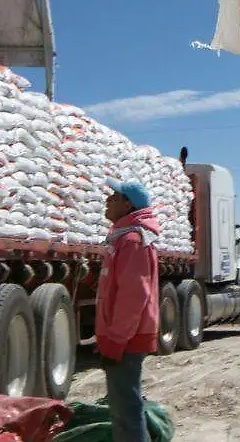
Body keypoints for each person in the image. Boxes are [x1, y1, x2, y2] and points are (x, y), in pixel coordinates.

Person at [98, 179, 161, 442]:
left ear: (127, 204)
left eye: (114, 196)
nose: (107, 200)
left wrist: (116, 340)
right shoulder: (126, 237)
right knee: (124, 407)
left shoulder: (133, 240)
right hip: (125, 337)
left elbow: (133, 296)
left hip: (127, 340)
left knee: (126, 409)